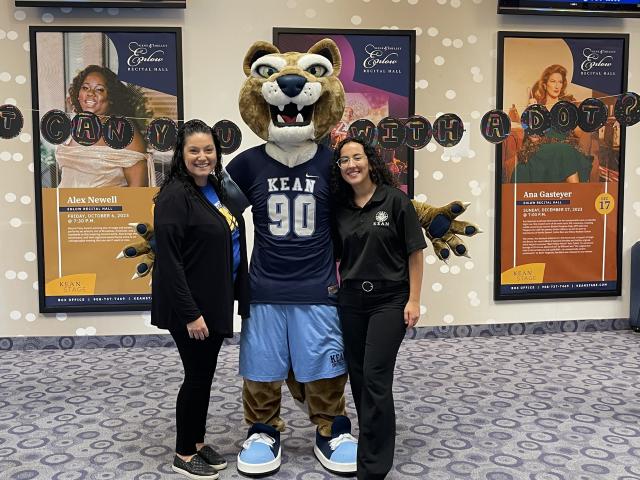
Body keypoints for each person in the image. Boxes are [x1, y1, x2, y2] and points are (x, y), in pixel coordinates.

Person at [151, 119, 250, 480]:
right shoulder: (175, 195)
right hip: (191, 308)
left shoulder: (215, 189)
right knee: (196, 377)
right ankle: (182, 452)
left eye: (208, 149)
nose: (202, 156)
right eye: (194, 150)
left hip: (214, 300)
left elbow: (232, 240)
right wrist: (191, 313)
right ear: (181, 154)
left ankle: (196, 441)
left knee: (204, 376)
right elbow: (170, 263)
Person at [331, 137, 427, 479]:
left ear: (370, 162)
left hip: (389, 300)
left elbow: (415, 253)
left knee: (375, 377)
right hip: (351, 300)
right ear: (339, 168)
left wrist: (414, 299)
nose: (351, 165)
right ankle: (371, 439)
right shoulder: (339, 208)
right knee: (357, 377)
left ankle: (373, 462)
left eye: (357, 157)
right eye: (344, 160)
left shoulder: (396, 200)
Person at [56, 64, 152, 187]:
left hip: (108, 205)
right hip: (66, 205)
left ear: (111, 97)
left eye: (99, 89)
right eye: (85, 88)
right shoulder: (71, 128)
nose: (90, 93)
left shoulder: (123, 131)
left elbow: (138, 191)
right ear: (78, 95)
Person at [505, 64, 596, 184]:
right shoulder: (538, 107)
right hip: (541, 149)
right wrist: (533, 111)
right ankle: (578, 194)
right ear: (544, 84)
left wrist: (578, 115)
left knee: (567, 151)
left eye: (560, 82)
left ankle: (577, 195)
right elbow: (534, 139)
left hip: (565, 146)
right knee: (565, 151)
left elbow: (578, 134)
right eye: (553, 81)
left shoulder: (567, 106)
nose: (557, 86)